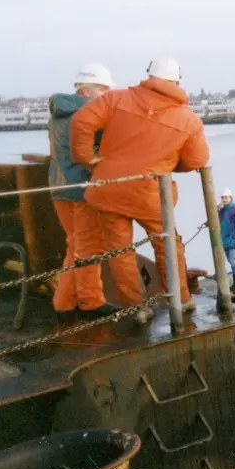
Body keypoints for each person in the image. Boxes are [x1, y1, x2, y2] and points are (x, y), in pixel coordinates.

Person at [70, 56, 208, 320]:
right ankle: (180, 299)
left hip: (108, 189)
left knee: (120, 251)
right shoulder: (188, 119)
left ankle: (136, 308)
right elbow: (197, 160)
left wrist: (85, 158)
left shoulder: (116, 98)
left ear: (149, 76)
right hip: (151, 194)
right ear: (178, 81)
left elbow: (80, 123)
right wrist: (167, 164)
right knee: (168, 244)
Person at [48, 63, 115, 318]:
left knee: (74, 245)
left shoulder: (57, 113)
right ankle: (90, 301)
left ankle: (65, 302)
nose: (107, 95)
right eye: (105, 89)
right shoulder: (91, 112)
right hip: (81, 189)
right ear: (91, 89)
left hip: (58, 187)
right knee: (88, 248)